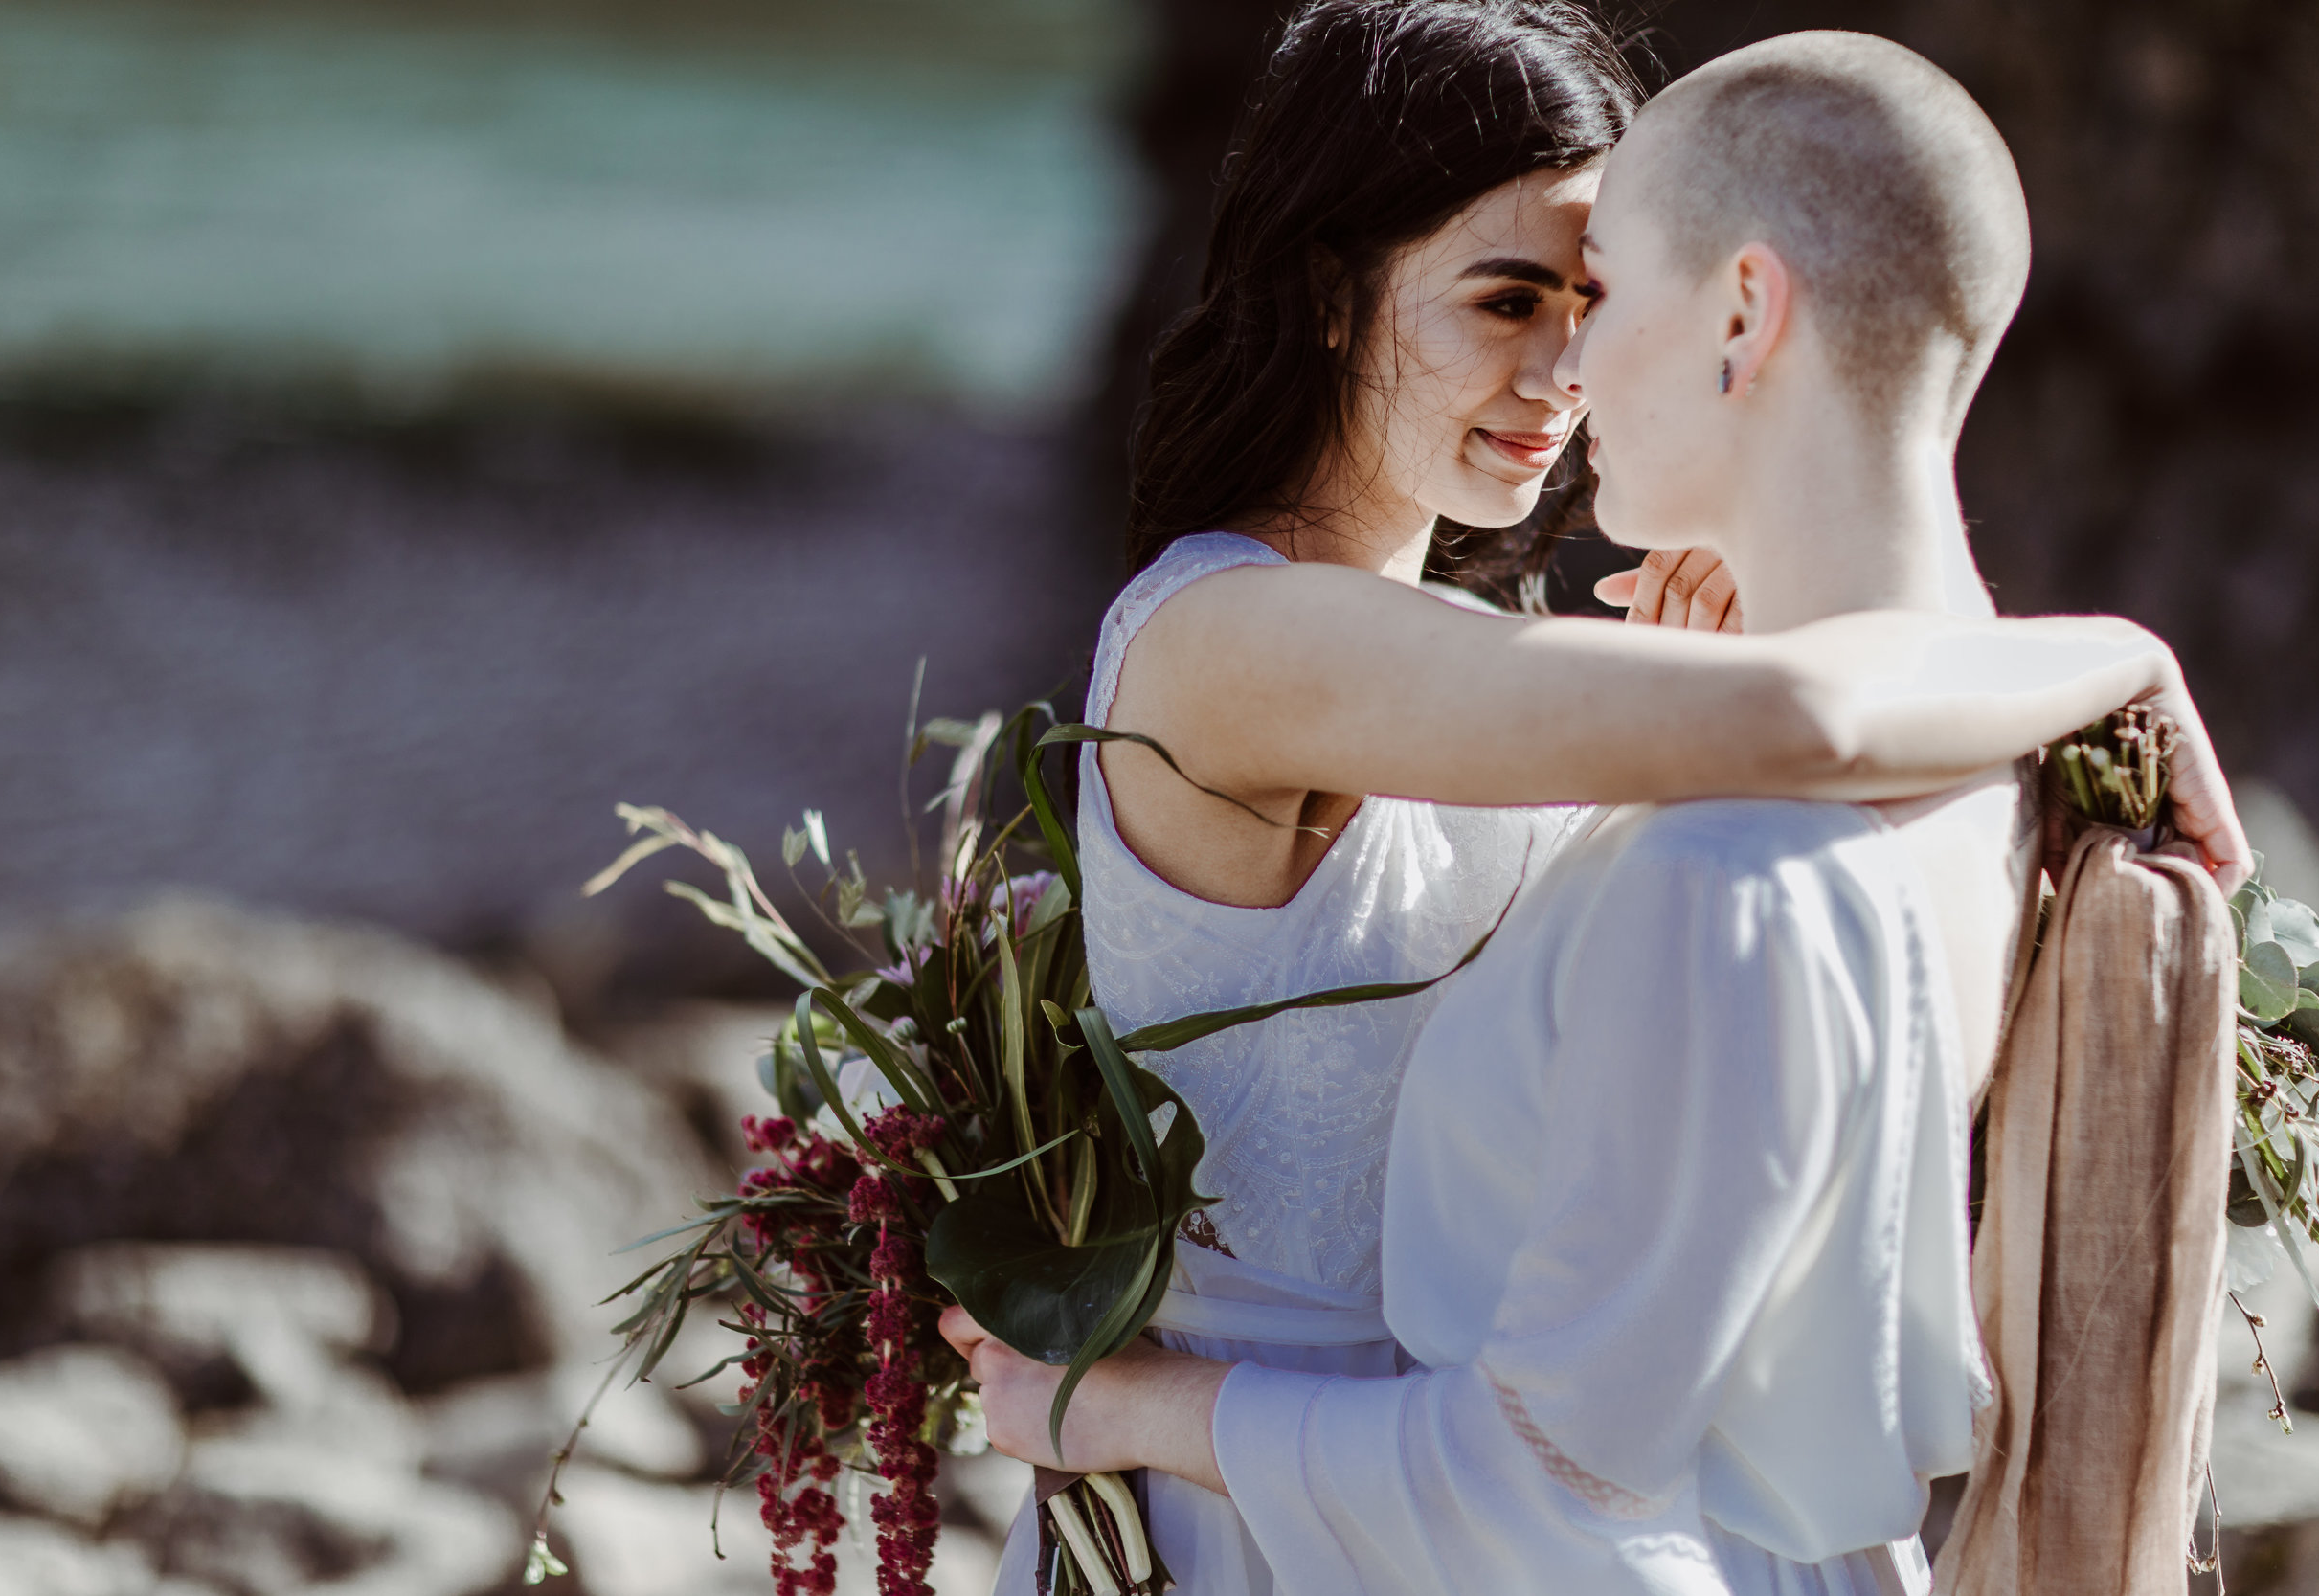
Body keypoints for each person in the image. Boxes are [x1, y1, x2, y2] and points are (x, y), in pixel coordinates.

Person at [956, 6, 2250, 1593]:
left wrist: (1676, 717)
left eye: (1591, 300)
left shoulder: (1500, 671)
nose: (1565, 369)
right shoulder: (1220, 637)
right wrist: (2120, 655)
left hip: (1494, 1492)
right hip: (1257, 1513)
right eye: (1508, 298)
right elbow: (1812, 716)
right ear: (1325, 293)